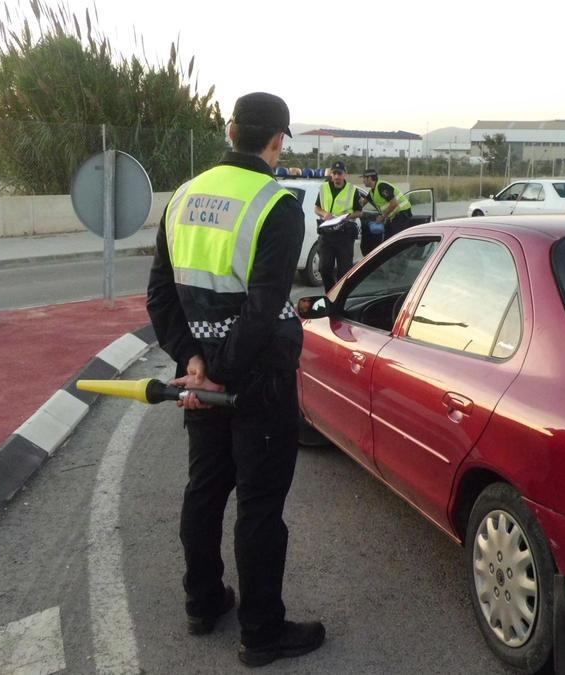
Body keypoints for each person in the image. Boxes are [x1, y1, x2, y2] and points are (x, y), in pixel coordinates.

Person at [146, 91, 325, 668]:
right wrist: (222, 372)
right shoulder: (277, 204)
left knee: (205, 490)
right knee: (259, 505)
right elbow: (265, 303)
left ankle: (203, 602)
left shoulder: (184, 196)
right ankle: (262, 632)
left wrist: (191, 361)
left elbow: (160, 294)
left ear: (229, 131)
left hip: (202, 374)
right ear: (277, 140)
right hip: (259, 380)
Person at [313, 161, 363, 291]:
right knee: (324, 268)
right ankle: (330, 293)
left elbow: (360, 212)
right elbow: (316, 208)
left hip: (344, 235)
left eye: (339, 173)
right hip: (326, 234)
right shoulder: (324, 188)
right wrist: (324, 213)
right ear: (331, 174)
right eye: (334, 173)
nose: (336, 176)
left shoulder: (352, 190)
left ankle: (340, 296)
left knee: (344, 271)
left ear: (344, 174)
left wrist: (347, 216)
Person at [359, 169, 413, 254]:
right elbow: (361, 204)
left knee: (395, 243)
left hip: (402, 214)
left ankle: (400, 262)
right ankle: (390, 262)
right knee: (387, 243)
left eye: (364, 178)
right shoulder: (372, 192)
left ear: (369, 178)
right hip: (393, 217)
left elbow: (394, 203)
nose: (363, 181)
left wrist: (382, 217)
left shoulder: (382, 186)